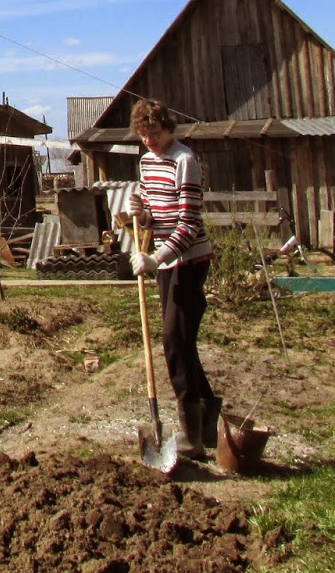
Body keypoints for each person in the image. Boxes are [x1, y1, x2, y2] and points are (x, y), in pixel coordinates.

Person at [127, 98, 219, 460]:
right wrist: (142, 213)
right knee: (180, 341)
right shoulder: (147, 162)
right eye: (143, 135)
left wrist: (156, 257)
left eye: (154, 134)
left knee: (173, 339)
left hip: (190, 261)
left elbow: (189, 223)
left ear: (168, 128)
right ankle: (208, 414)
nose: (148, 141)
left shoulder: (186, 162)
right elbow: (154, 213)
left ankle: (191, 436)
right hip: (165, 263)